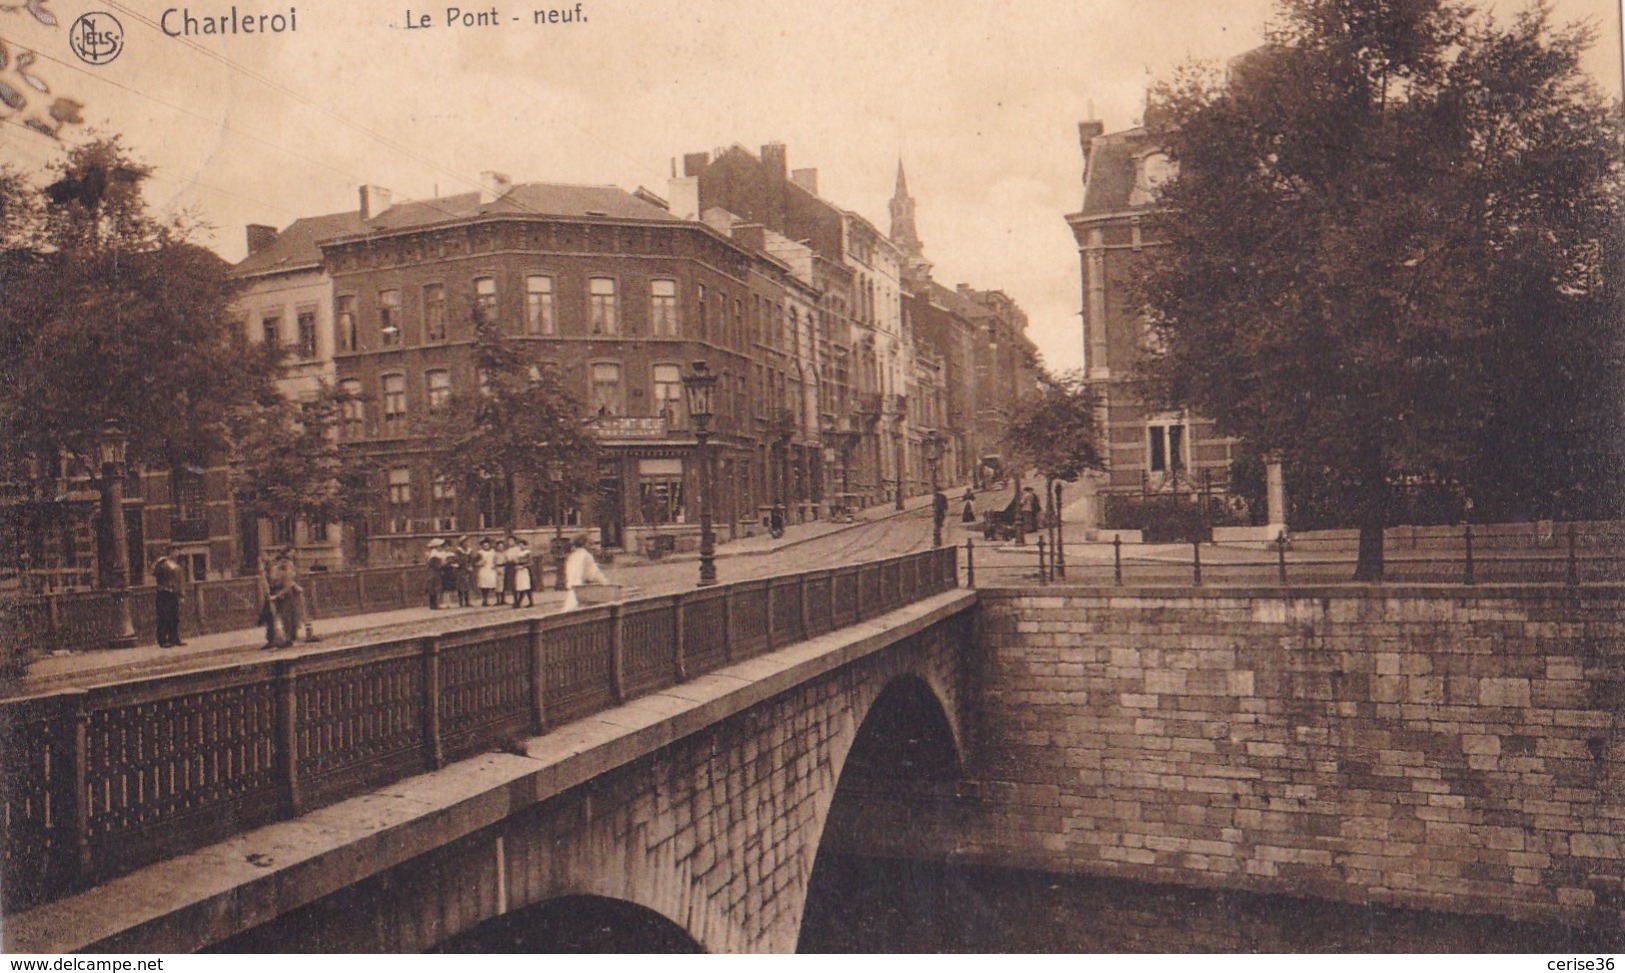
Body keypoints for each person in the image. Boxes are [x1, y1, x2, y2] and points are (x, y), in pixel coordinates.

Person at [260, 547, 304, 650]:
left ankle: (285, 638)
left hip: (283, 593)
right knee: (274, 617)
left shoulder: (286, 565)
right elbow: (274, 579)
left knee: (286, 617)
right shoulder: (280, 565)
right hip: (277, 593)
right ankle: (275, 639)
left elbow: (288, 582)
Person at [560, 534, 609, 611]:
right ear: (584, 544)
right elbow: (594, 574)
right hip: (583, 590)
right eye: (589, 544)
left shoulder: (572, 556)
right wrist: (606, 583)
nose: (591, 547)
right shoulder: (586, 555)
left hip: (572, 589)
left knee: (569, 612)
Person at [151, 546, 186, 647]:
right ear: (171, 552)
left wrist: (180, 594)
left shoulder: (176, 564)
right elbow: (154, 572)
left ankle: (173, 638)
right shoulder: (162, 562)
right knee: (163, 617)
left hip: (173, 593)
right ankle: (162, 640)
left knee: (174, 617)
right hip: (163, 592)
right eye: (176, 551)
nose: (178, 554)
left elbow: (178, 580)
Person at [506, 536, 534, 608]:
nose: (521, 546)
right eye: (519, 545)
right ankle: (518, 602)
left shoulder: (527, 553)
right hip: (518, 571)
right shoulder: (518, 553)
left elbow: (531, 562)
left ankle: (524, 602)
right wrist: (515, 564)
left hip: (525, 570)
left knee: (526, 585)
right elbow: (515, 561)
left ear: (525, 545)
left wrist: (523, 566)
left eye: (522, 545)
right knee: (520, 586)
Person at [475, 538, 500, 606]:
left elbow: (495, 560)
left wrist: (494, 565)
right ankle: (484, 599)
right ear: (482, 546)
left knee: (490, 584)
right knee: (484, 585)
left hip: (490, 569)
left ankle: (490, 598)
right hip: (483, 569)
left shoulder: (492, 552)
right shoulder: (480, 553)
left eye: (487, 545)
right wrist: (480, 563)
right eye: (484, 545)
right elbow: (475, 562)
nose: (486, 547)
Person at [426, 539, 449, 609]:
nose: (441, 548)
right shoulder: (434, 555)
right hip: (434, 573)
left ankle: (433, 605)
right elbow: (438, 565)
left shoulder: (433, 554)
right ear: (437, 547)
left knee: (433, 588)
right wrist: (445, 563)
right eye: (440, 546)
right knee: (435, 587)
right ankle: (436, 604)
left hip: (433, 572)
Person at [453, 536, 474, 607]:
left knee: (467, 586)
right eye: (465, 542)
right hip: (460, 570)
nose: (466, 543)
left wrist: (470, 565)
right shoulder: (458, 551)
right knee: (461, 586)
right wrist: (464, 565)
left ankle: (467, 601)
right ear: (461, 543)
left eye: (467, 542)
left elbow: (471, 560)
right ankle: (461, 601)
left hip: (467, 570)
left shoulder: (469, 551)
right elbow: (457, 560)